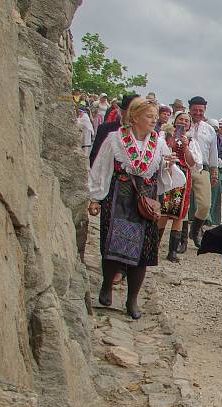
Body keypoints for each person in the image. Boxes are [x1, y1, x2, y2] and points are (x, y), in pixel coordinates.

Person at [87, 98, 184, 319]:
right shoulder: (115, 139)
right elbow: (101, 168)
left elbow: (162, 176)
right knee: (114, 242)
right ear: (135, 117)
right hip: (119, 194)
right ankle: (106, 286)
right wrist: (95, 198)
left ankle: (132, 300)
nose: (154, 120)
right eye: (149, 116)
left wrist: (167, 165)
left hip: (145, 199)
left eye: (155, 116)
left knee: (142, 250)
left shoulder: (158, 143)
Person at [158, 112, 203, 262]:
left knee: (179, 213)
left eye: (186, 120)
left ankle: (172, 251)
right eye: (180, 119)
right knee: (163, 211)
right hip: (166, 172)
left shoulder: (192, 141)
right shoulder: (164, 136)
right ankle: (154, 245)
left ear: (189, 125)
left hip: (182, 175)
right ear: (175, 121)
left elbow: (193, 164)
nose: (183, 122)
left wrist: (185, 147)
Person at [186, 96, 220, 247]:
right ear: (190, 110)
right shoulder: (184, 124)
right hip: (184, 167)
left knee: (205, 204)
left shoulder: (210, 130)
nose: (198, 113)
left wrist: (214, 171)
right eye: (195, 110)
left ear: (205, 110)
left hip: (202, 168)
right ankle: (180, 238)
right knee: (183, 204)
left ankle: (195, 230)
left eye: (201, 110)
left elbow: (214, 152)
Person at [90, 94, 138, 166]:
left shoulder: (141, 133)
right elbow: (95, 155)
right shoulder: (106, 128)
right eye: (131, 111)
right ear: (122, 111)